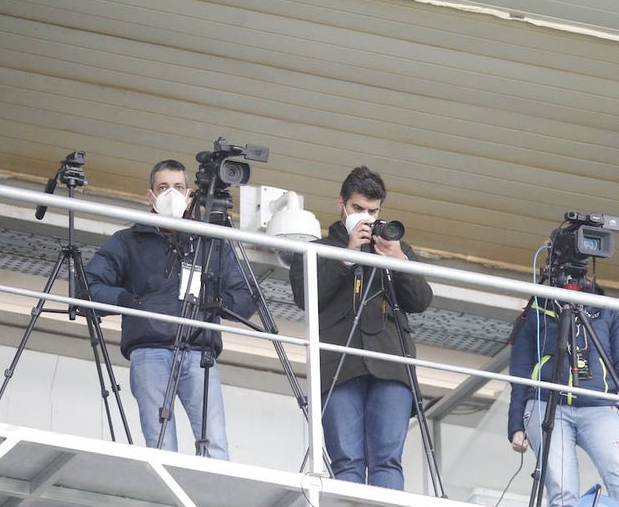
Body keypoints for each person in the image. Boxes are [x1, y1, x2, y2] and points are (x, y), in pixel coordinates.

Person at [84, 159, 255, 459]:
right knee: (161, 447)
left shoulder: (210, 241)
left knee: (214, 443)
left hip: (200, 352)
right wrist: (129, 302)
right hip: (149, 351)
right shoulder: (128, 241)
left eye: (178, 187)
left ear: (190, 195)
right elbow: (86, 287)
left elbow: (246, 295)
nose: (171, 194)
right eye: (163, 187)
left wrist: (217, 302)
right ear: (149, 195)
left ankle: (213, 503)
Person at [289, 166, 433, 489]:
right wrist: (347, 255)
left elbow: (422, 300)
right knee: (347, 461)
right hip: (338, 365)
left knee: (387, 460)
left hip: (392, 365)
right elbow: (305, 296)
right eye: (357, 209)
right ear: (341, 203)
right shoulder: (316, 248)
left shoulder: (395, 248)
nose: (365, 217)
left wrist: (397, 260)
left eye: (373, 211)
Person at [507, 280, 619, 507]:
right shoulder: (538, 311)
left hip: (600, 406)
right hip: (546, 402)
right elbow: (519, 372)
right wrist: (516, 423)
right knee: (561, 486)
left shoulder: (608, 310)